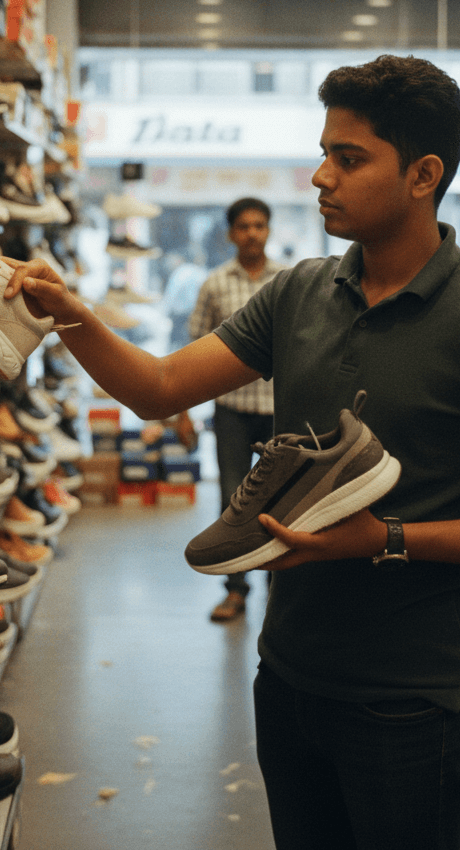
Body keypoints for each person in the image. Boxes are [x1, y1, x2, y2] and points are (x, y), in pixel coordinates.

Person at [3, 53, 460, 850]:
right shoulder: (298, 292)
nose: (321, 176)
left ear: (423, 175)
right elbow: (160, 387)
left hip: (410, 694)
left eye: (349, 159)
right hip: (287, 674)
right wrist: (66, 311)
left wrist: (385, 539)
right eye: (324, 152)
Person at [187, 197, 287, 622]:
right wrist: (180, 414)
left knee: (280, 501)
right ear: (230, 234)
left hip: (278, 411)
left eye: (259, 225)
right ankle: (236, 589)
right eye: (243, 226)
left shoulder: (288, 281)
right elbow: (193, 349)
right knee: (233, 501)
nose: (252, 233)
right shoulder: (214, 284)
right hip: (230, 411)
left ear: (268, 230)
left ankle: (277, 590)